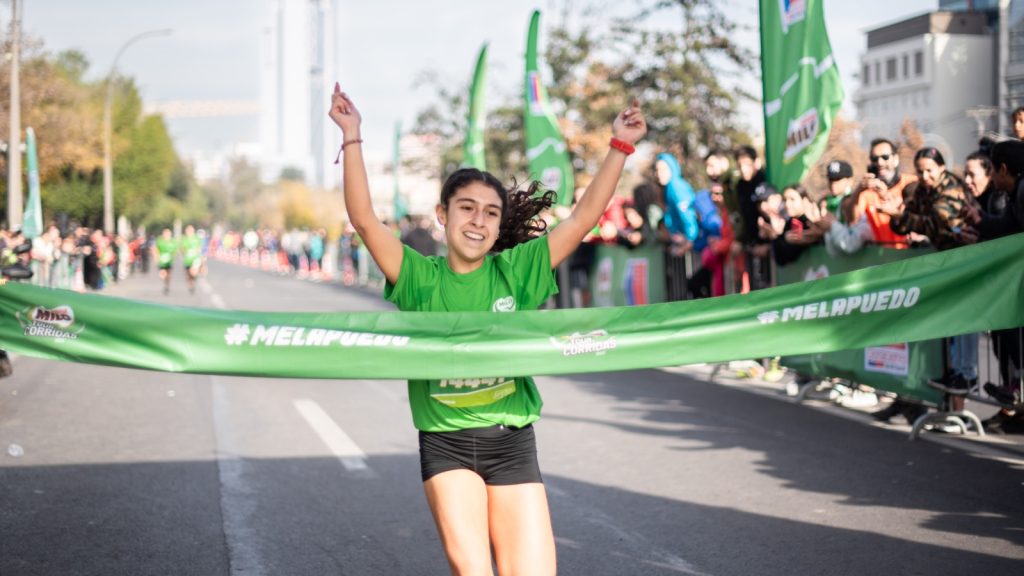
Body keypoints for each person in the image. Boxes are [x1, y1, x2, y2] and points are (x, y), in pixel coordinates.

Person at [329, 82, 646, 575]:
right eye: (467, 208)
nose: (479, 221)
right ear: (443, 215)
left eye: (491, 213)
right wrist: (352, 135)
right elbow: (366, 220)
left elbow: (583, 218)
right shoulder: (417, 276)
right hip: (446, 443)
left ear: (500, 227)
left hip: (512, 442)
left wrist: (620, 146)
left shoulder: (516, 272)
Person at [880, 147, 979, 399]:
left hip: (969, 258)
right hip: (947, 260)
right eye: (920, 171)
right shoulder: (923, 190)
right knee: (951, 319)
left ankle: (966, 373)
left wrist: (902, 216)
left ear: (941, 169)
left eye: (929, 171)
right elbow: (902, 222)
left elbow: (936, 222)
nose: (924, 177)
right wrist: (897, 214)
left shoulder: (951, 187)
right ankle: (954, 370)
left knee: (966, 318)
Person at [154, 228, 178, 295]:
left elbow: (175, 251)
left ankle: (167, 286)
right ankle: (165, 281)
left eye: (168, 233)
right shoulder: (160, 241)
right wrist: (156, 257)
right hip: (161, 261)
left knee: (168, 275)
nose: (167, 235)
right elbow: (156, 249)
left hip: (169, 261)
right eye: (165, 233)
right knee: (162, 274)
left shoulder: (173, 241)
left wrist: (173, 256)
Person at [181, 225, 202, 295]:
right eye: (188, 230)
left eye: (191, 230)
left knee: (193, 272)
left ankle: (194, 276)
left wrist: (201, 258)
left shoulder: (196, 238)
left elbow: (199, 248)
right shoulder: (184, 239)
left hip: (195, 259)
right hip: (187, 260)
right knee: (188, 275)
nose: (189, 232)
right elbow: (182, 249)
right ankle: (191, 286)